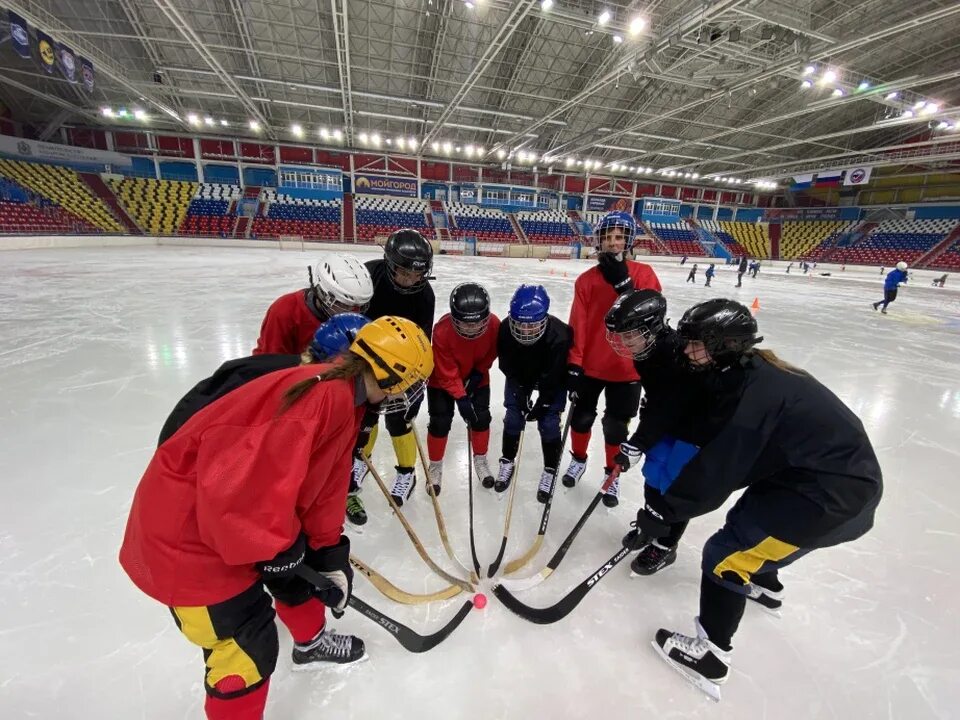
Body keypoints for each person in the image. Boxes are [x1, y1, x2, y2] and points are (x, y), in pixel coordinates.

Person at [119, 317, 434, 720]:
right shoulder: (315, 402)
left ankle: (311, 643)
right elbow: (234, 492)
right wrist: (278, 546)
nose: (411, 394)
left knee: (294, 572)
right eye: (412, 383)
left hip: (227, 523)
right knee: (245, 648)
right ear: (392, 377)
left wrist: (327, 551)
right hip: (188, 541)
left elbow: (324, 485)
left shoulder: (345, 396)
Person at [628, 299, 882, 698]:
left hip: (830, 497)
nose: (686, 350)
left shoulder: (755, 399)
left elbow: (716, 474)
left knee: (725, 554)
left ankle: (711, 657)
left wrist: (663, 510)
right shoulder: (749, 370)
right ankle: (765, 582)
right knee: (749, 521)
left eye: (698, 344)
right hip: (810, 477)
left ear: (725, 345)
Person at [159, 314, 374, 526]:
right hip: (194, 491)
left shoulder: (326, 394)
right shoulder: (283, 391)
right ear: (343, 362)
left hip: (212, 491)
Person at [604, 289, 706, 575]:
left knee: (674, 486)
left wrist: (638, 441)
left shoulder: (676, 354)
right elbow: (658, 401)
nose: (624, 342)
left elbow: (669, 405)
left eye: (629, 335)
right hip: (666, 425)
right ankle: (651, 526)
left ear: (651, 328)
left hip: (692, 431)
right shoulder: (644, 352)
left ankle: (666, 545)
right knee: (655, 475)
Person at [564, 211, 661, 507]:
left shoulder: (644, 274)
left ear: (629, 240)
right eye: (608, 237)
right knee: (581, 419)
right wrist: (574, 363)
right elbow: (577, 323)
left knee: (616, 428)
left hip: (628, 368)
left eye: (619, 236)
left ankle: (611, 474)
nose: (614, 243)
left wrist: (624, 284)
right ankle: (578, 459)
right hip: (591, 366)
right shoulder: (586, 280)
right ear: (599, 241)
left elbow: (650, 312)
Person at [360, 229, 437, 504]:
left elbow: (421, 343)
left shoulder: (425, 296)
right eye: (405, 272)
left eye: (418, 274)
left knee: (398, 421)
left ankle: (406, 472)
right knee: (365, 417)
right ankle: (362, 458)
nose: (411, 279)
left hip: (403, 366)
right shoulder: (368, 277)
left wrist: (409, 382)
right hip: (365, 360)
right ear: (390, 263)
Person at [424, 282, 500, 499]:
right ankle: (435, 466)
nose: (472, 328)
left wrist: (478, 373)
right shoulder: (441, 330)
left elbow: (491, 353)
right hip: (442, 380)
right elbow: (446, 370)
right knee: (440, 421)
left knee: (481, 418)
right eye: (465, 324)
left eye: (477, 323)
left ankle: (481, 460)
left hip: (476, 376)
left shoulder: (494, 325)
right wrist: (461, 398)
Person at [496, 284, 572, 500]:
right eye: (520, 324)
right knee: (513, 418)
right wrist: (520, 395)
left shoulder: (560, 334)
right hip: (521, 375)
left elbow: (556, 375)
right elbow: (506, 365)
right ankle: (507, 460)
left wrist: (544, 403)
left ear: (544, 318)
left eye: (532, 326)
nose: (525, 330)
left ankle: (550, 469)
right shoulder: (504, 329)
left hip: (551, 378)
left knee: (548, 423)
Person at [252, 254, 373, 354]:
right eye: (345, 305)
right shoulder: (284, 311)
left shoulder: (354, 307)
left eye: (358, 306)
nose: (354, 314)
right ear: (324, 295)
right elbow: (271, 363)